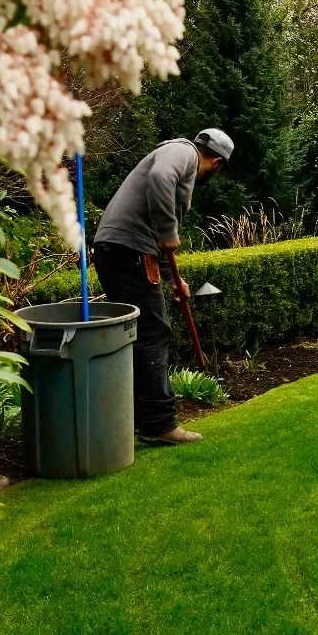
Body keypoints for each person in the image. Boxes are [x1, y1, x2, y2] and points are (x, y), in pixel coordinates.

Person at [92, 129, 232, 445]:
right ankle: (158, 424)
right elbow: (159, 179)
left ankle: (135, 420)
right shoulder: (183, 153)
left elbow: (160, 241)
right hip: (129, 252)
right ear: (217, 162)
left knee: (135, 335)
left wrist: (174, 280)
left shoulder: (178, 160)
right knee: (152, 333)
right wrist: (170, 230)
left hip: (118, 249)